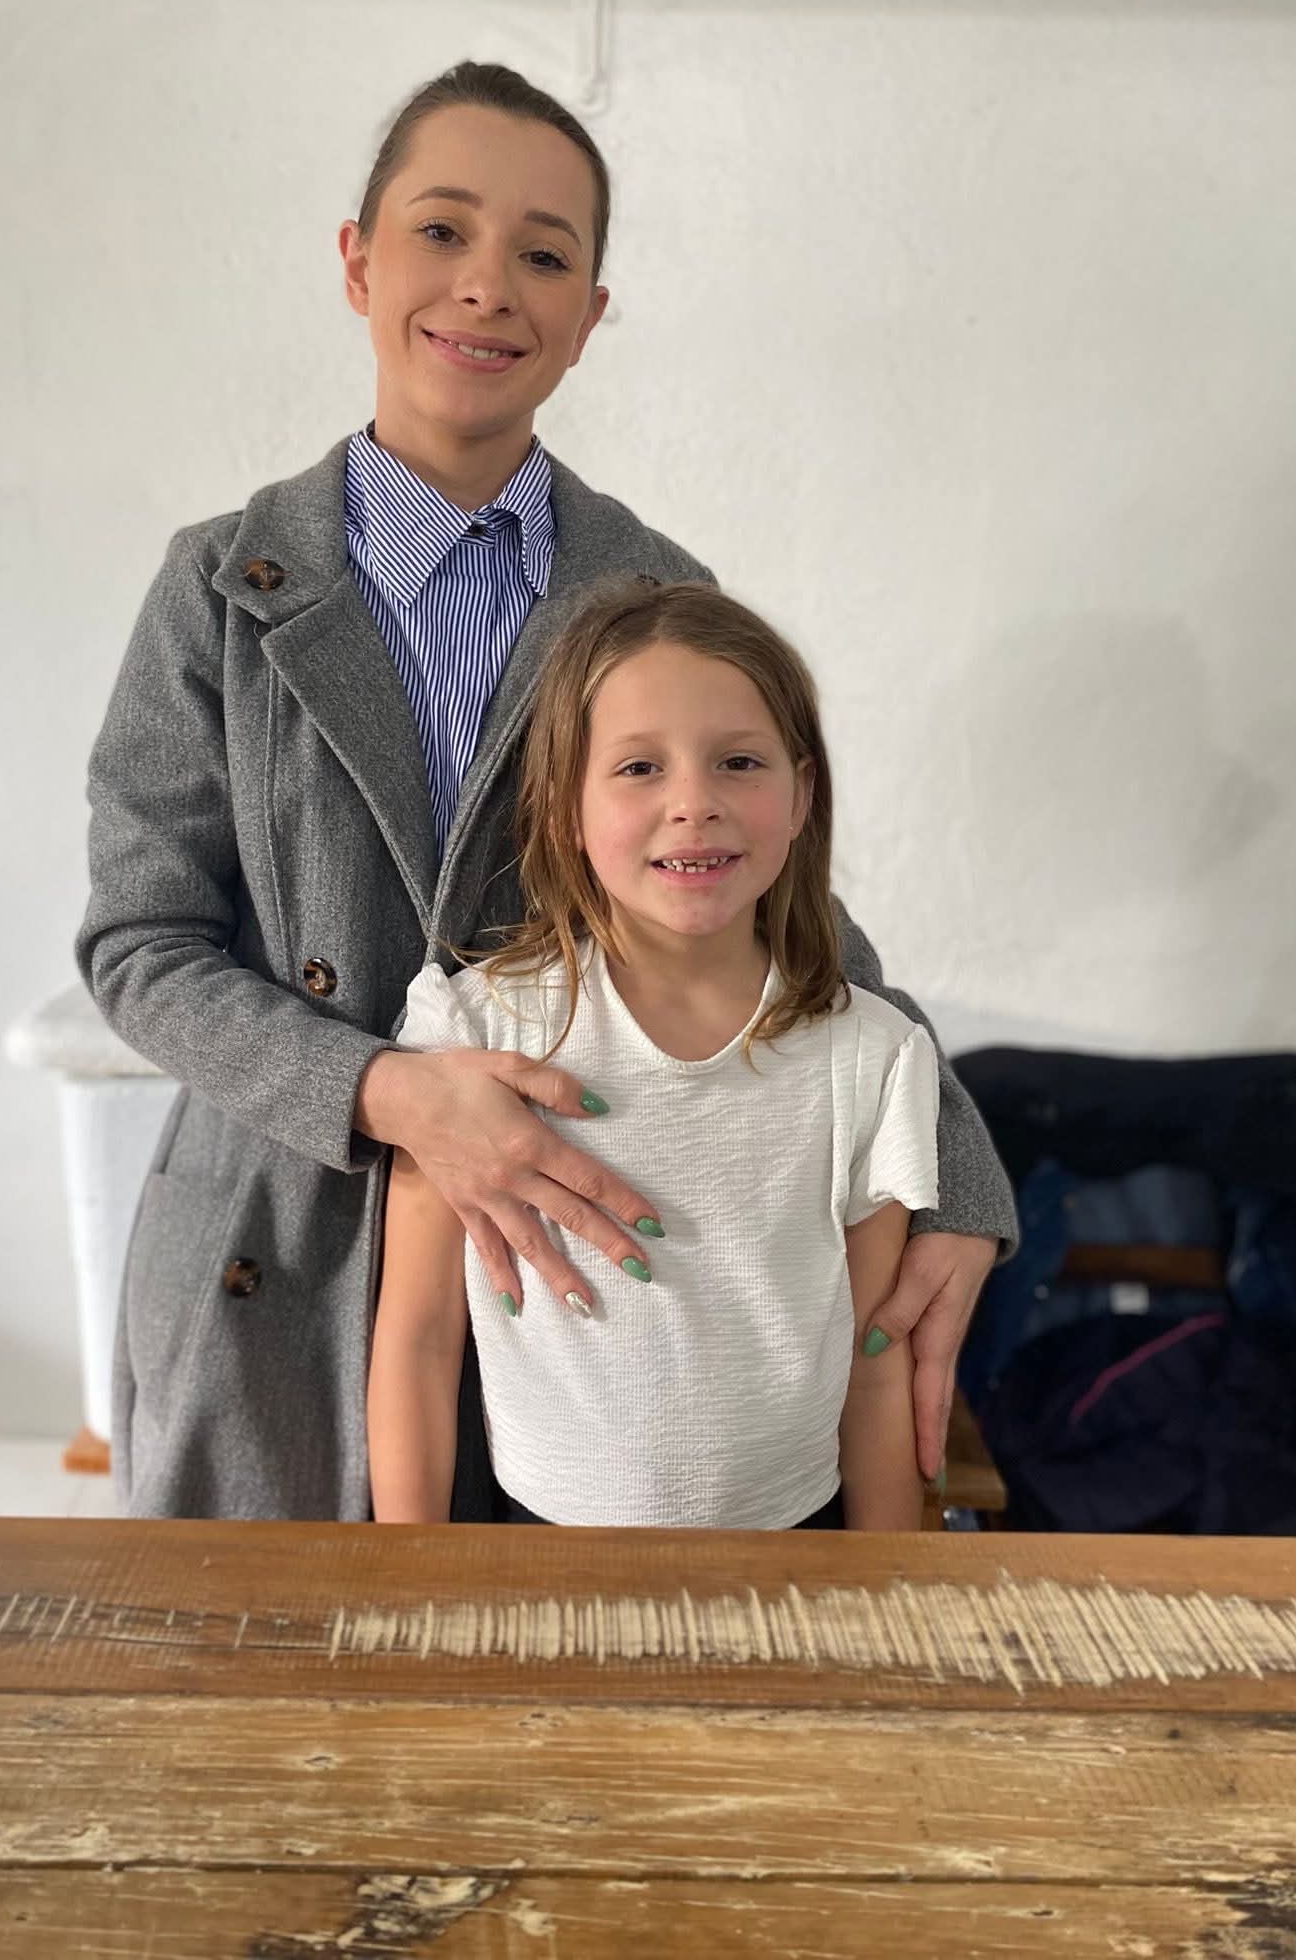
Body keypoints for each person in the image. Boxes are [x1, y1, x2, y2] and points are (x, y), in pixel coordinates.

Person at [77, 60, 1017, 1521]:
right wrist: (394, 1091)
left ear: (588, 315)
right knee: (270, 1669)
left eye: (544, 255)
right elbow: (141, 945)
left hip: (592, 1296)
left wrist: (958, 1175)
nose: (487, 286)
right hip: (277, 1256)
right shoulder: (220, 587)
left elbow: (784, 920)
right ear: (358, 262)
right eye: (441, 231)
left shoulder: (655, 587)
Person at [369, 579, 934, 1530]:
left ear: (802, 794)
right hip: (537, 1551)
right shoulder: (473, 1032)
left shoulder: (873, 1055)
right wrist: (407, 1585)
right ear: (564, 807)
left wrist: (891, 1595)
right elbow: (420, 1338)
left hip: (798, 1549)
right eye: (639, 768)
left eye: (739, 762)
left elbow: (876, 1368)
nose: (694, 805)